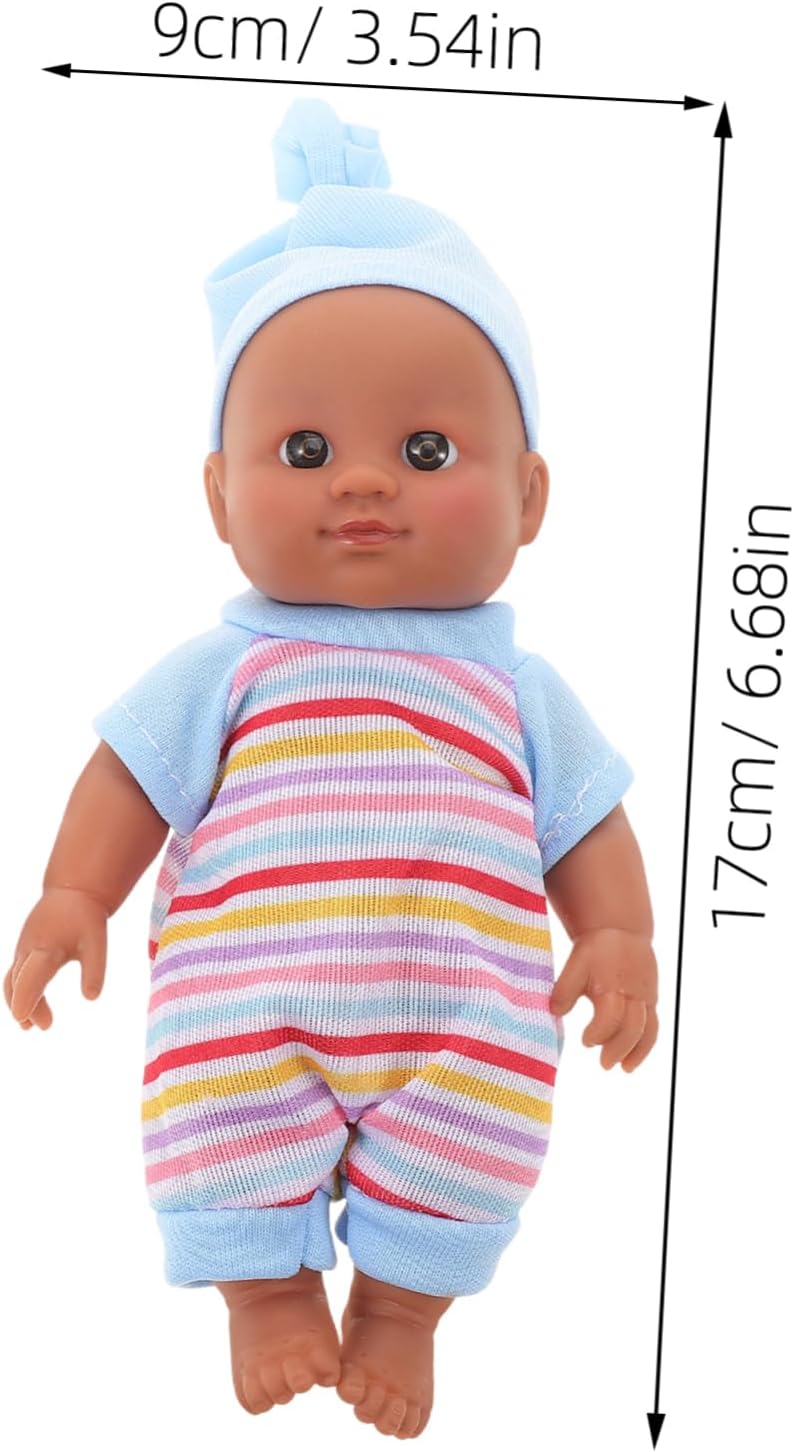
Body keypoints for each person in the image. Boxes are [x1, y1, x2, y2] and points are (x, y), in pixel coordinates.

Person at [4, 98, 658, 1440]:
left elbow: (586, 820)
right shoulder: (227, 665)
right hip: (250, 993)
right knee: (219, 1119)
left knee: (477, 1149)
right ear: (218, 496)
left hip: (467, 1012)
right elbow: (130, 776)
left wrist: (618, 933)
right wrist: (75, 895)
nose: (364, 484)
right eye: (304, 453)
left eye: (426, 452)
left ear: (530, 498)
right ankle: (265, 1291)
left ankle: (403, 1314)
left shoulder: (517, 688)